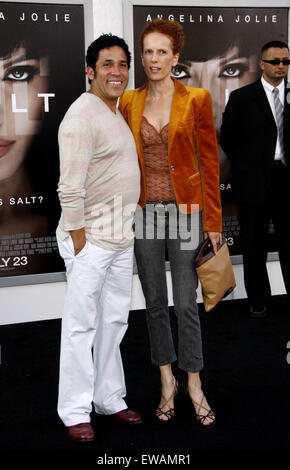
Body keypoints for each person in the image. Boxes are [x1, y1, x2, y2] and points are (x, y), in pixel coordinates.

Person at [119, 19, 222, 426]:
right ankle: (167, 382)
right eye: (148, 51)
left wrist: (212, 222)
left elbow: (209, 164)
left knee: (186, 304)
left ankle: (194, 382)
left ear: (175, 56)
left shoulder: (196, 98)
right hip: (145, 215)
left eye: (163, 51)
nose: (154, 59)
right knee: (154, 304)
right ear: (141, 56)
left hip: (187, 213)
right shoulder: (129, 100)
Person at [56, 34, 142, 442]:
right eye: (107, 64)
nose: (117, 72)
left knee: (114, 321)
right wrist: (79, 242)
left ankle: (109, 397)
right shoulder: (82, 114)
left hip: (120, 239)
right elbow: (69, 188)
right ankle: (74, 410)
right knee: (80, 327)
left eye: (123, 64)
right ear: (90, 71)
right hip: (90, 241)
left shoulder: (114, 110)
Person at [220, 40, 290, 318]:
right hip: (254, 181)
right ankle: (258, 300)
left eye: (286, 61)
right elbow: (228, 138)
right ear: (262, 64)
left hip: (287, 180)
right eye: (275, 61)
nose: (281, 66)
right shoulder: (242, 98)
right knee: (254, 244)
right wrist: (249, 167)